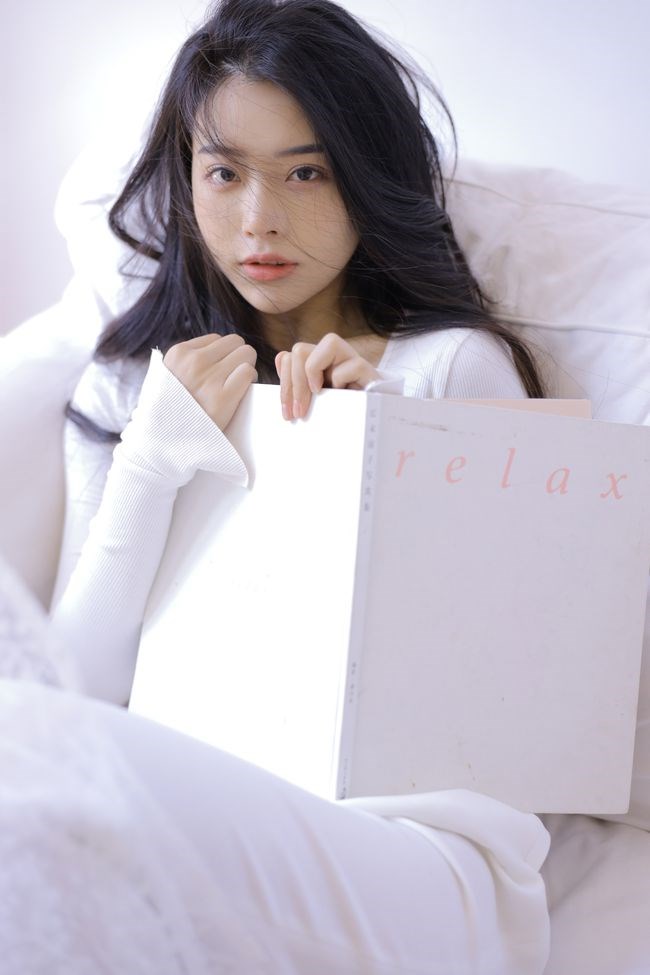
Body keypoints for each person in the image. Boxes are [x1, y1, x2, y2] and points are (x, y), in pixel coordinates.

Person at [5, 0, 552, 971]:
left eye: (307, 172)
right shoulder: (134, 385)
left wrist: (393, 454)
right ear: (188, 180)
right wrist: (147, 463)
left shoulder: (450, 367)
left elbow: (522, 700)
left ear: (367, 176)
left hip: (419, 855)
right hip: (198, 815)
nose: (259, 219)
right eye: (224, 173)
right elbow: (81, 696)